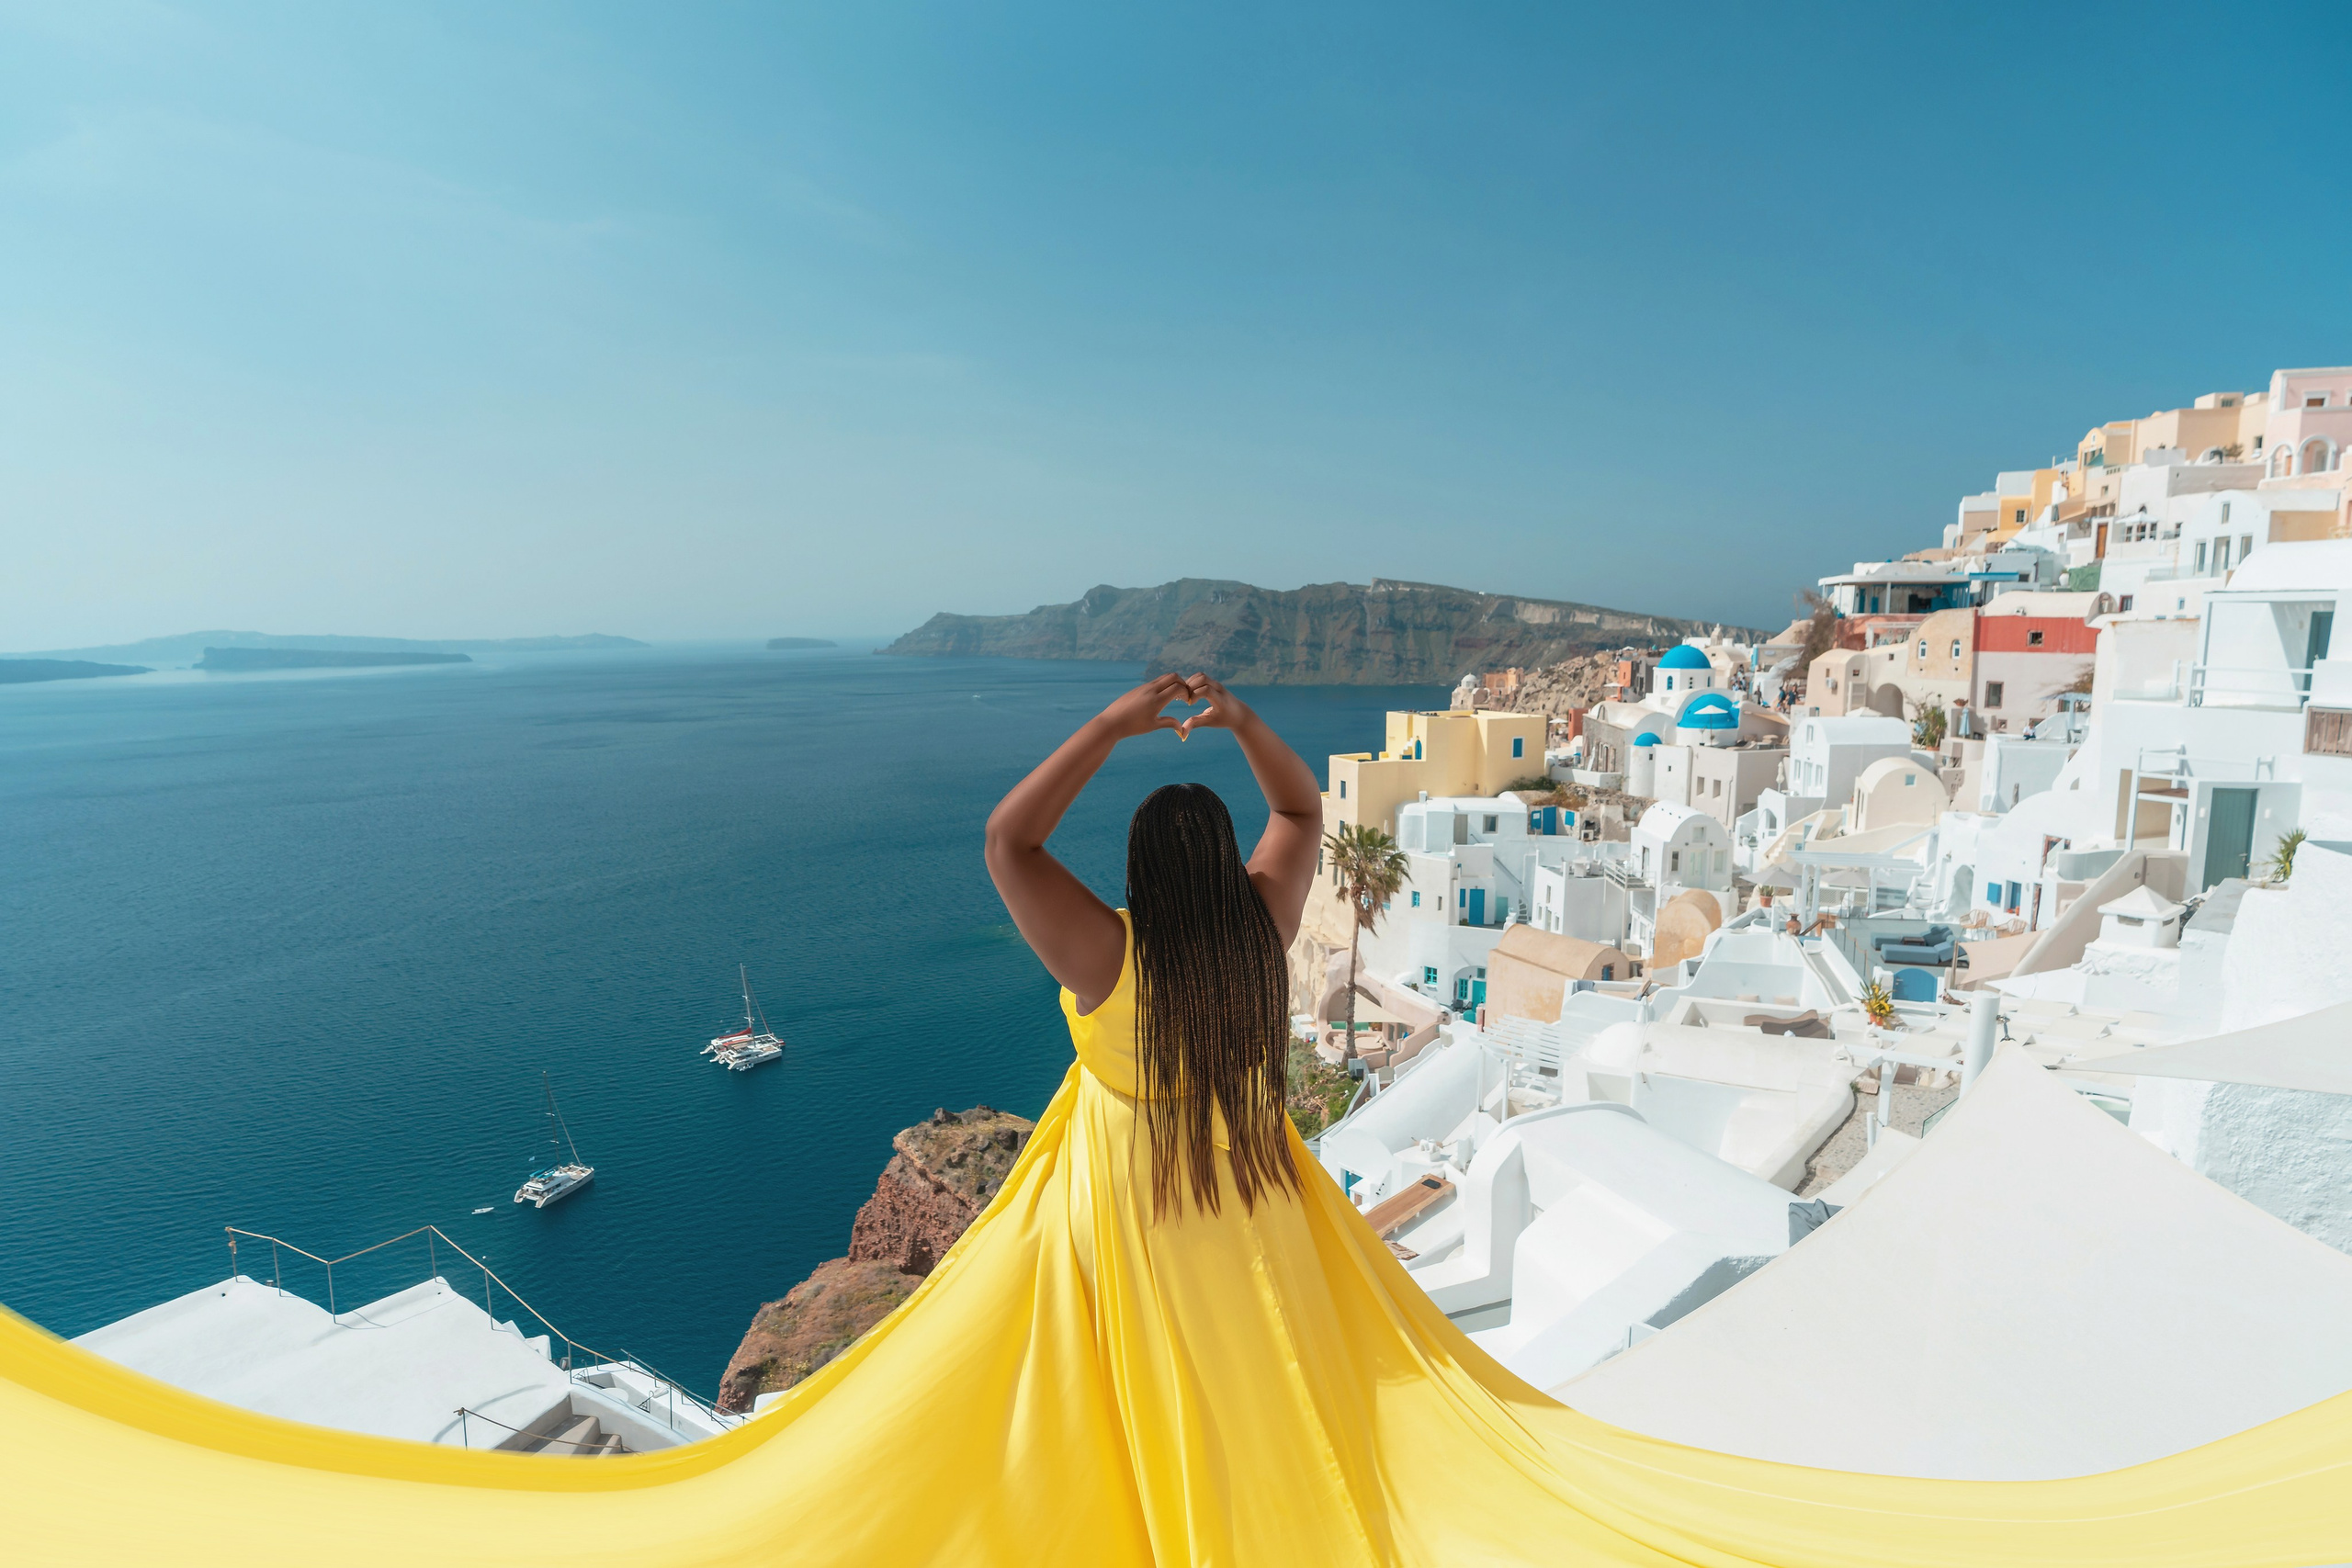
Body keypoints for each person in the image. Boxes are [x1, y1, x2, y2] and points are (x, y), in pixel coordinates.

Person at [3, 677, 2347, 1566]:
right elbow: (1308, 818)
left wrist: (1116, 722)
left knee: (1076, 1466)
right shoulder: (1243, 940)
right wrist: (1234, 746)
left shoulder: (1108, 956)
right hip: (1265, 1228)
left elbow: (993, 834)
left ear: (1106, 899)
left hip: (1121, 1244)